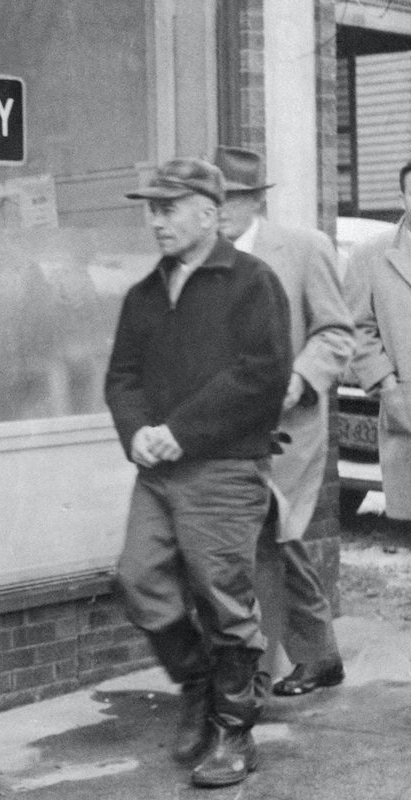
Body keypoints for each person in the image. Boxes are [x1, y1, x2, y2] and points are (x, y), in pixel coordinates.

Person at [105, 157, 293, 788]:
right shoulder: (144, 294)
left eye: (167, 208)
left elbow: (260, 376)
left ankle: (235, 734)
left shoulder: (252, 283)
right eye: (150, 210)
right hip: (158, 471)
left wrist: (178, 432)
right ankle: (197, 684)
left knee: (225, 599)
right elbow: (122, 377)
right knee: (138, 579)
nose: (154, 222)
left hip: (223, 468)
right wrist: (137, 434)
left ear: (209, 213)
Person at [214, 146, 354, 698]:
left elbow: (336, 332)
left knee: (272, 533)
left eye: (228, 198)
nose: (219, 209)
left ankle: (260, 669)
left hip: (289, 427)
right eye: (211, 198)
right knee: (270, 539)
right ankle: (318, 657)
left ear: (254, 200)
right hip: (228, 427)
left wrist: (299, 377)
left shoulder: (303, 249)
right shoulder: (206, 257)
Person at [344, 160, 411, 525]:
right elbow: (356, 328)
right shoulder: (370, 255)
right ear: (403, 197)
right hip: (406, 407)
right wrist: (388, 387)